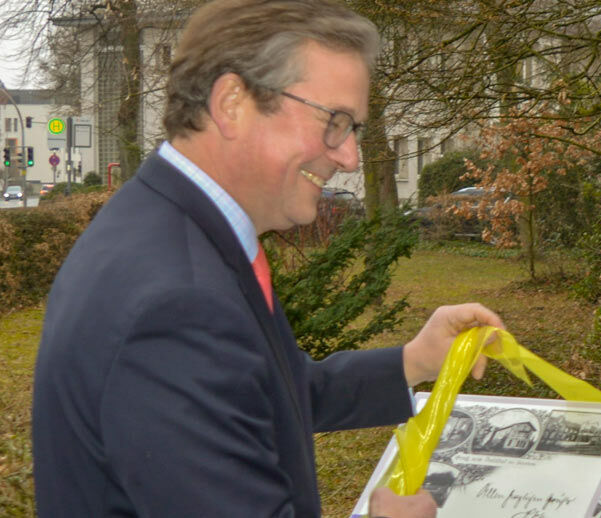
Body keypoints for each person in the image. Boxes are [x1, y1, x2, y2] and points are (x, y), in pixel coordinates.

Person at [30, 0, 499, 516]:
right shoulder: (177, 302)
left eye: (354, 128)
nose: (349, 156)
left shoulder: (167, 228)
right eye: (335, 121)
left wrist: (411, 362)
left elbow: (262, 392)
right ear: (232, 103)